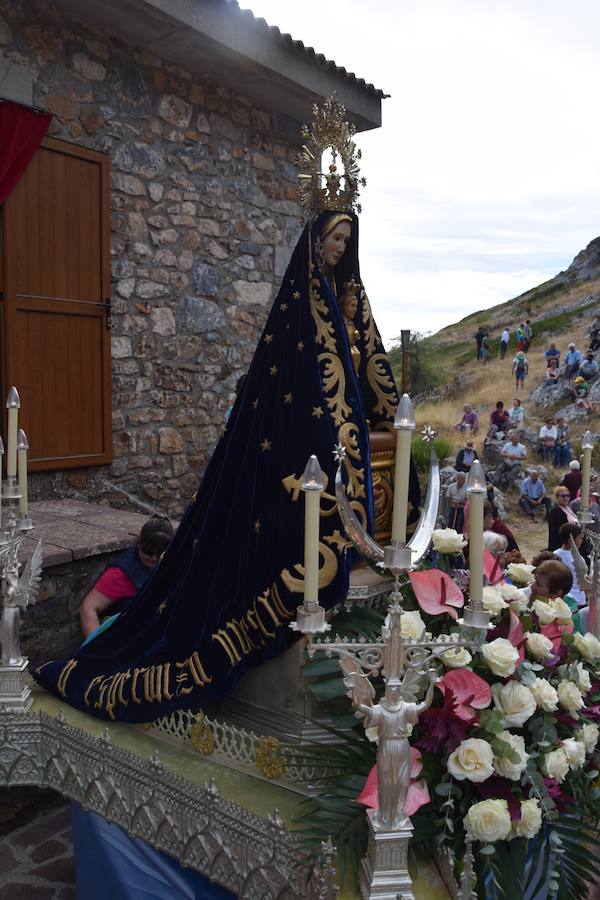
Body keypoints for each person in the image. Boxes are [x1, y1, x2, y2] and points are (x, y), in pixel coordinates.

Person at [35, 176, 422, 723]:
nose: (339, 250)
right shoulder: (298, 313)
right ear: (315, 244)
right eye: (333, 240)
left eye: (346, 242)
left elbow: (366, 373)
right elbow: (298, 393)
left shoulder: (349, 304)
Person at [79, 516, 175, 639]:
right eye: (148, 552)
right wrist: (94, 648)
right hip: (127, 639)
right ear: (139, 543)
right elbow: (88, 608)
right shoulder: (122, 573)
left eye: (161, 553)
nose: (154, 559)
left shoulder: (172, 563)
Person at [553, 523, 587, 608]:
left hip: (563, 599)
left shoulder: (555, 554)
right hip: (578, 599)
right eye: (579, 538)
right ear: (570, 540)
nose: (581, 540)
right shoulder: (578, 559)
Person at [548, 484, 579, 550]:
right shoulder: (555, 511)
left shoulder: (568, 507)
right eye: (563, 496)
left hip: (572, 544)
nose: (566, 498)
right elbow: (557, 532)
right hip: (561, 546)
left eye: (568, 495)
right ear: (557, 497)